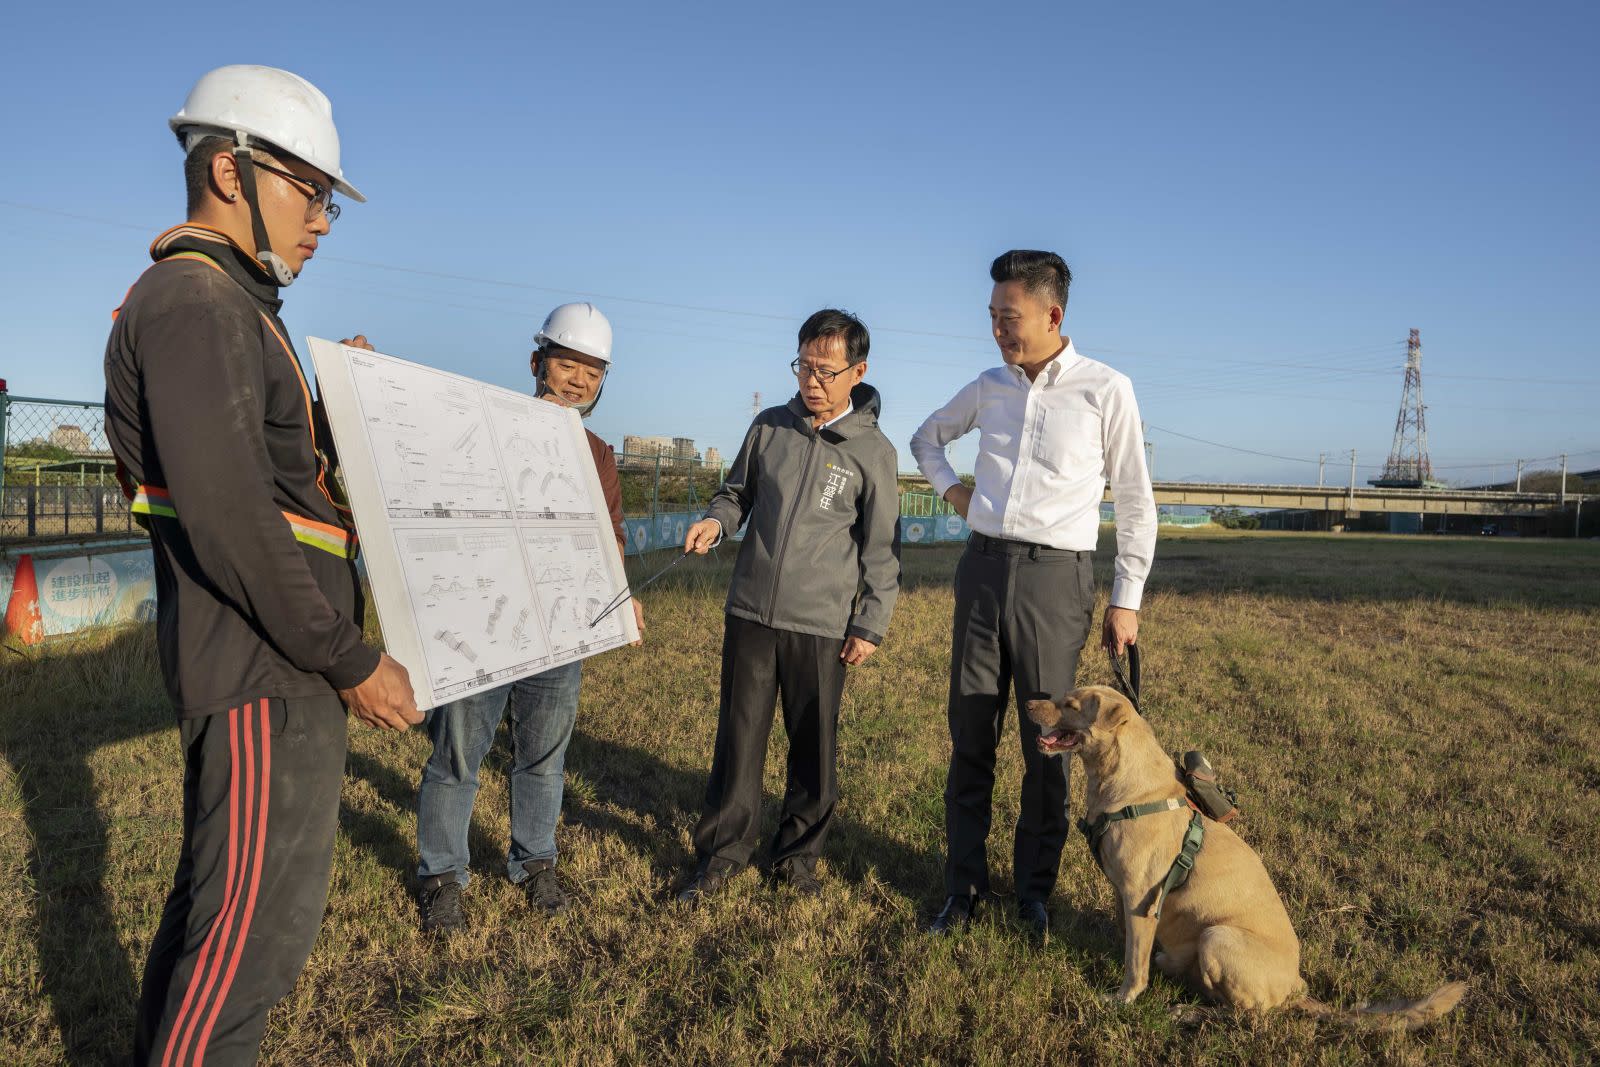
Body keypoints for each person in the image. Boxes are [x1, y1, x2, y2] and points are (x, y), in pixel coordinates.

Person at [104, 65, 421, 1066]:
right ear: (231, 172)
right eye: (309, 189)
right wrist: (347, 657)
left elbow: (274, 476)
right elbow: (237, 519)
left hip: (269, 667)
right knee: (244, 955)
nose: (322, 219)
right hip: (263, 672)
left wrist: (335, 413)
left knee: (223, 929)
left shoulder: (234, 308)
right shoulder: (194, 300)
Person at [909, 250, 1157, 938]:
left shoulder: (1107, 389)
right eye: (991, 316)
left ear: (1053, 314)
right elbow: (927, 437)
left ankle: (1033, 897)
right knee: (970, 735)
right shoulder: (989, 386)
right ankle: (961, 890)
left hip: (1057, 579)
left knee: (1049, 739)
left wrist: (1125, 597)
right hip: (983, 572)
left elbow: (1136, 501)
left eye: (1008, 317)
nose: (996, 330)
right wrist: (955, 490)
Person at [414, 302, 642, 932]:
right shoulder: (480, 427)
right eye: (568, 364)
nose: (579, 381)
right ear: (538, 361)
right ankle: (441, 876)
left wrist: (619, 594)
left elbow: (608, 538)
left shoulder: (596, 453)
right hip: (481, 621)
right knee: (458, 752)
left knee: (543, 755)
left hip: (557, 629)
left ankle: (536, 862)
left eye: (593, 373)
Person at [676, 309, 901, 901]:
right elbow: (735, 494)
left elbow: (881, 549)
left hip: (822, 624)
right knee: (739, 739)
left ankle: (797, 859)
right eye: (804, 366)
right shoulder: (770, 426)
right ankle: (722, 855)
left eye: (826, 370)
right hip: (751, 610)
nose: (812, 380)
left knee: (813, 746)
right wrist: (716, 523)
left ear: (859, 371)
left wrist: (870, 622)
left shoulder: (873, 452)